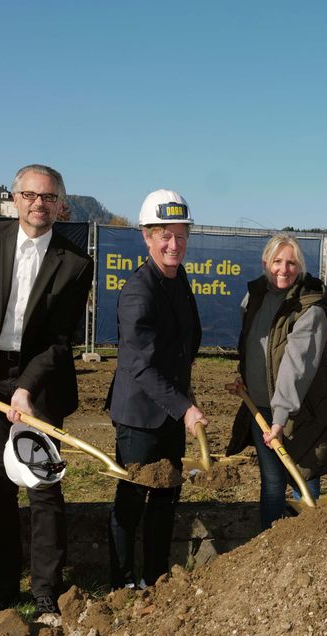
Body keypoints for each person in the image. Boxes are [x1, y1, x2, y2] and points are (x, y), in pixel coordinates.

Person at [0, 164, 93, 615]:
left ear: (60, 205)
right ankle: (5, 586)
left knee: (43, 485)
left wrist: (27, 388)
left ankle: (46, 591)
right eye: (30, 195)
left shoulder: (76, 263)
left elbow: (59, 339)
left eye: (48, 197)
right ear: (15, 199)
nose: (38, 204)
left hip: (41, 380)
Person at [106, 190, 205, 590]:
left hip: (169, 412)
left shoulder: (179, 278)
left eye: (180, 236)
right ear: (146, 237)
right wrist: (185, 408)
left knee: (166, 496)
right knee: (132, 499)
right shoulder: (138, 291)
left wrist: (184, 396)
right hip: (139, 418)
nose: (173, 245)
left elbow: (186, 341)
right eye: (165, 235)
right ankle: (122, 582)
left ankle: (156, 577)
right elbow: (141, 365)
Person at [226, 235, 327, 528]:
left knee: (304, 475)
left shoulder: (310, 308)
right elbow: (252, 346)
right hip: (261, 407)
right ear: (266, 263)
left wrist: (280, 417)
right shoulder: (253, 298)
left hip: (302, 410)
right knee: (272, 482)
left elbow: (296, 365)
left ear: (300, 267)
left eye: (291, 263)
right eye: (277, 261)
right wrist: (246, 377)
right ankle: (270, 546)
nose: (283, 269)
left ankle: (307, 542)